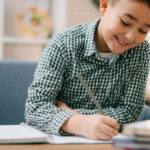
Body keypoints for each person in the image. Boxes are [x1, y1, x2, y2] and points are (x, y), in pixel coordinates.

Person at [25, 0, 150, 140]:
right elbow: (35, 109)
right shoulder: (63, 45)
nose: (131, 37)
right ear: (104, 6)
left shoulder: (141, 52)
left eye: (143, 31)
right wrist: (78, 124)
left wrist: (72, 115)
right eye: (125, 22)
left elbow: (130, 112)